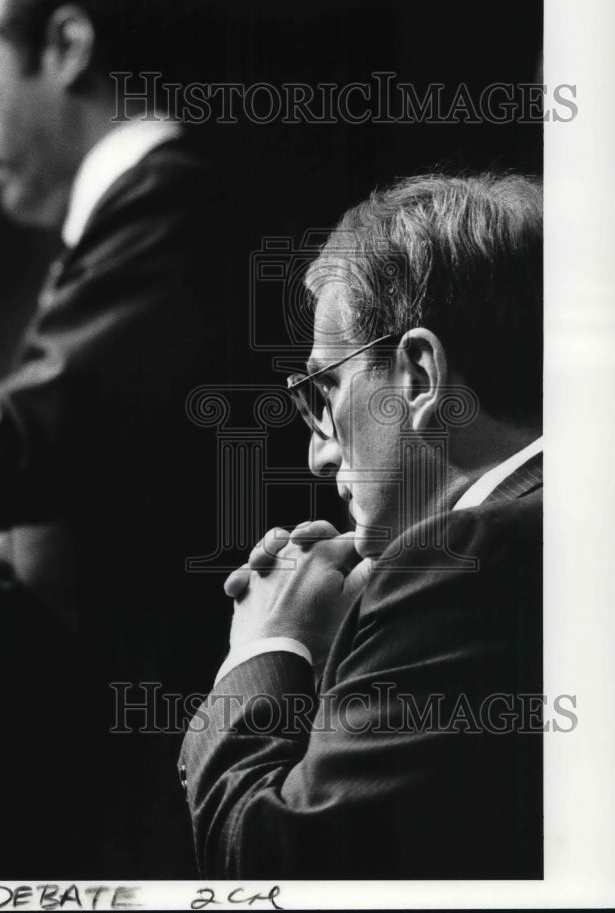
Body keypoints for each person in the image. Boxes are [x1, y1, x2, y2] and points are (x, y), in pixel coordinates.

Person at [0, 0, 254, 876]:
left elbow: (30, 448)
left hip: (156, 767)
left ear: (69, 44)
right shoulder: (151, 215)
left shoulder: (171, 207)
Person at [179, 172, 544, 878]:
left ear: (417, 375)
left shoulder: (464, 559)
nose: (318, 454)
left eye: (327, 391)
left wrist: (267, 649)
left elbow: (275, 862)